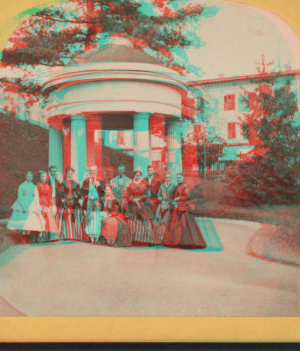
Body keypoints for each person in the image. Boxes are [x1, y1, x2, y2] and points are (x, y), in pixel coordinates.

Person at [162, 173, 207, 249]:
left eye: (181, 177)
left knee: (186, 224)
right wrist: (176, 199)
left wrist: (181, 199)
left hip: (185, 207)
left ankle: (186, 241)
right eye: (178, 177)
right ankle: (177, 242)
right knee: (175, 224)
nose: (180, 179)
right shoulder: (178, 186)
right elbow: (175, 196)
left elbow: (189, 197)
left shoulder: (188, 187)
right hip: (178, 207)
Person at [7, 171, 44, 242]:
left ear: (32, 177)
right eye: (27, 176)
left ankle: (29, 237)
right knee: (22, 220)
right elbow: (20, 196)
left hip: (31, 204)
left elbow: (36, 197)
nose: (29, 178)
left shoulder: (34, 186)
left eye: (30, 176)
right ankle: (22, 237)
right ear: (25, 177)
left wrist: (37, 206)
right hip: (23, 203)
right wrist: (23, 207)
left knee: (30, 221)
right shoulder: (22, 185)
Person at [125, 167, 150, 244]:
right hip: (132, 205)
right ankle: (133, 240)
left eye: (139, 175)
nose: (137, 176)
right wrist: (132, 200)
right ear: (134, 175)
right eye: (136, 175)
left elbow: (146, 195)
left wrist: (140, 199)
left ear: (140, 176)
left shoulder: (143, 185)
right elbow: (127, 195)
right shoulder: (131, 185)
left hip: (141, 205)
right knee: (132, 222)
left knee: (142, 221)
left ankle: (141, 239)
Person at [153, 167, 177, 245]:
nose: (167, 174)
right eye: (165, 172)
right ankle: (159, 238)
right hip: (163, 204)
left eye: (168, 172)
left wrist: (172, 201)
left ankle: (167, 239)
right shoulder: (162, 185)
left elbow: (176, 195)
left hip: (170, 204)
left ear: (170, 174)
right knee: (158, 220)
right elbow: (159, 195)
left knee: (167, 220)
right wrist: (161, 200)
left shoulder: (174, 184)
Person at [35, 171, 59, 242]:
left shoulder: (49, 187)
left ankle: (50, 237)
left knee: (50, 217)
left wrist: (52, 205)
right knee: (42, 218)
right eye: (42, 176)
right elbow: (36, 197)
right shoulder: (38, 186)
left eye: (45, 176)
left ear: (47, 178)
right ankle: (41, 236)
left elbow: (51, 197)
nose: (43, 178)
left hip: (48, 204)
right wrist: (38, 205)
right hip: (40, 203)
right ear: (40, 177)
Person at [81, 168, 103, 243]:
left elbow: (101, 193)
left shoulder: (98, 182)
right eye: (92, 172)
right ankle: (89, 237)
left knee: (96, 219)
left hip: (96, 203)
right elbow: (83, 193)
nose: (93, 174)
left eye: (95, 172)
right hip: (88, 203)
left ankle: (97, 236)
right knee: (89, 218)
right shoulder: (85, 183)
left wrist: (98, 200)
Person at [62, 167, 82, 240]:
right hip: (66, 200)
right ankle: (67, 235)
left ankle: (74, 235)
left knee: (74, 217)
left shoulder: (75, 182)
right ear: (66, 173)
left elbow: (78, 192)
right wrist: (65, 198)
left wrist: (75, 196)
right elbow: (61, 192)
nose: (69, 174)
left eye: (71, 173)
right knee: (67, 217)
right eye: (68, 173)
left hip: (73, 201)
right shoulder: (63, 182)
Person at [55, 171, 68, 241]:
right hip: (57, 204)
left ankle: (62, 234)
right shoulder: (55, 185)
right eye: (58, 177)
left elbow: (65, 194)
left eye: (61, 177)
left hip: (62, 204)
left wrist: (64, 201)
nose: (60, 178)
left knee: (62, 219)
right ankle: (57, 234)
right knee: (57, 219)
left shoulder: (63, 186)